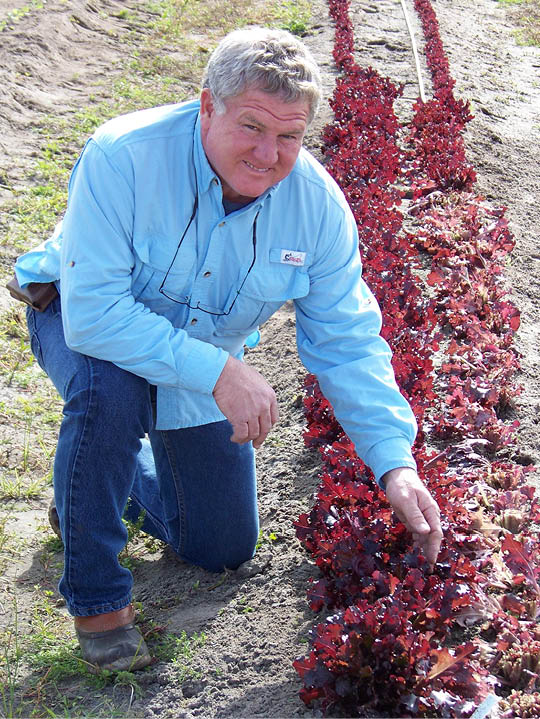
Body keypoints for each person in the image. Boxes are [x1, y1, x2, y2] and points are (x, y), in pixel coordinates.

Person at [13, 27, 442, 673]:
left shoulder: (317, 210)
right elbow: (97, 314)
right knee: (112, 394)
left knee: (222, 544)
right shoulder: (124, 156)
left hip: (202, 359)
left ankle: (93, 488)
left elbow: (347, 343)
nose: (269, 154)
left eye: (290, 136)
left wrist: (394, 462)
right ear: (206, 105)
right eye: (251, 126)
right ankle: (98, 599)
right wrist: (218, 371)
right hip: (84, 325)